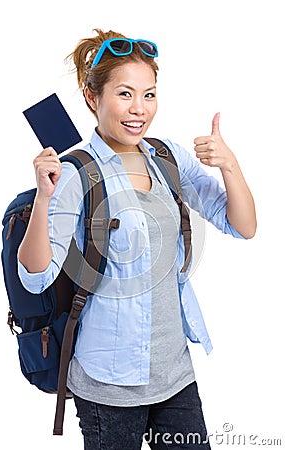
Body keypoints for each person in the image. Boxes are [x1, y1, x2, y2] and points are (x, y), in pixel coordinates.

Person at [17, 28, 256, 449]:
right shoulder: (74, 172)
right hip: (108, 383)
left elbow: (242, 225)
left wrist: (230, 165)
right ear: (94, 98)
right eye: (125, 94)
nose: (139, 109)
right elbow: (35, 276)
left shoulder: (167, 157)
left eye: (149, 94)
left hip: (174, 374)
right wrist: (43, 197)